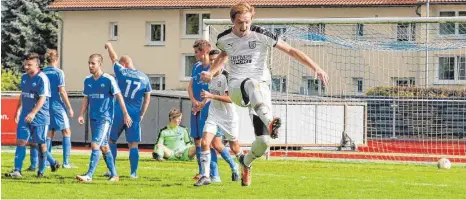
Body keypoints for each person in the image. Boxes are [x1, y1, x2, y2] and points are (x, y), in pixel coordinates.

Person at [201, 2, 329, 186]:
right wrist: (211, 72)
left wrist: (315, 67)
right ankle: (271, 122)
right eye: (239, 22)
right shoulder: (224, 38)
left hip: (260, 91)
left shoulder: (261, 34)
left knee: (263, 142)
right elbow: (224, 55)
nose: (244, 26)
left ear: (251, 18)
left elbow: (291, 50)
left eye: (247, 21)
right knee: (251, 83)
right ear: (232, 21)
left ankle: (246, 163)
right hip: (238, 88)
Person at [75, 54, 132, 182]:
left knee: (95, 144)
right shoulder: (87, 81)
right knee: (104, 146)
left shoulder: (108, 79)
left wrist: (125, 113)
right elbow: (86, 98)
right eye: (89, 63)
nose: (90, 66)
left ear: (100, 64)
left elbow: (119, 96)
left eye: (93, 63)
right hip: (93, 118)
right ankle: (114, 175)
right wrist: (81, 114)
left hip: (105, 118)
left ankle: (89, 175)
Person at [4, 53, 60, 178]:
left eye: (29, 64)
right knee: (21, 141)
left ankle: (43, 170)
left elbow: (43, 98)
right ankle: (17, 170)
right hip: (25, 116)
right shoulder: (24, 77)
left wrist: (33, 112)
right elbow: (23, 94)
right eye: (25, 64)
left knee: (39, 144)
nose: (26, 67)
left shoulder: (42, 78)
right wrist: (18, 109)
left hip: (40, 117)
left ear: (37, 65)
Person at [104, 42, 152, 179]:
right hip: (134, 113)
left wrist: (109, 45)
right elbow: (147, 98)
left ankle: (111, 170)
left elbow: (113, 58)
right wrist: (141, 114)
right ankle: (133, 173)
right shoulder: (145, 78)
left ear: (123, 64)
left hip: (119, 111)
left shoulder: (122, 72)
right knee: (133, 144)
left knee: (111, 140)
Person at [194, 67, 244, 186]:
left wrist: (211, 96)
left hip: (228, 117)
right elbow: (211, 94)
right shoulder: (209, 76)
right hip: (213, 115)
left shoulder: (227, 77)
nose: (213, 64)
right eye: (211, 61)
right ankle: (206, 175)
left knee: (234, 146)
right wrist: (202, 103)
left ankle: (243, 166)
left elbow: (231, 99)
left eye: (215, 60)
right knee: (205, 142)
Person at [188, 40, 220, 181]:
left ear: (204, 52)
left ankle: (215, 173)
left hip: (208, 108)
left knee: (209, 141)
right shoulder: (196, 66)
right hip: (195, 107)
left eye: (196, 51)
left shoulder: (213, 69)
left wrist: (202, 103)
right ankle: (202, 171)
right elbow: (190, 86)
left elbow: (213, 90)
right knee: (196, 140)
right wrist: (194, 101)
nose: (194, 54)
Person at [41, 49, 74, 169]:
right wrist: (69, 107)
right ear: (57, 59)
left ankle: (45, 161)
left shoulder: (43, 72)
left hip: (45, 105)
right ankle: (66, 162)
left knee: (49, 133)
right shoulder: (58, 72)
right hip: (57, 105)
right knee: (66, 131)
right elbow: (62, 91)